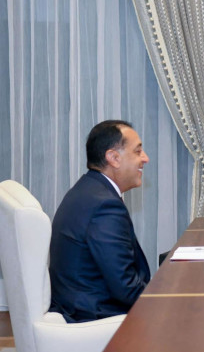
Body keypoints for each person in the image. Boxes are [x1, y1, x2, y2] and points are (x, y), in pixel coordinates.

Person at [49, 120, 151, 323]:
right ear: (113, 158)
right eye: (138, 151)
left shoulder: (87, 189)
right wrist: (166, 301)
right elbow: (126, 289)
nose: (145, 158)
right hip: (97, 317)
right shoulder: (105, 206)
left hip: (78, 306)